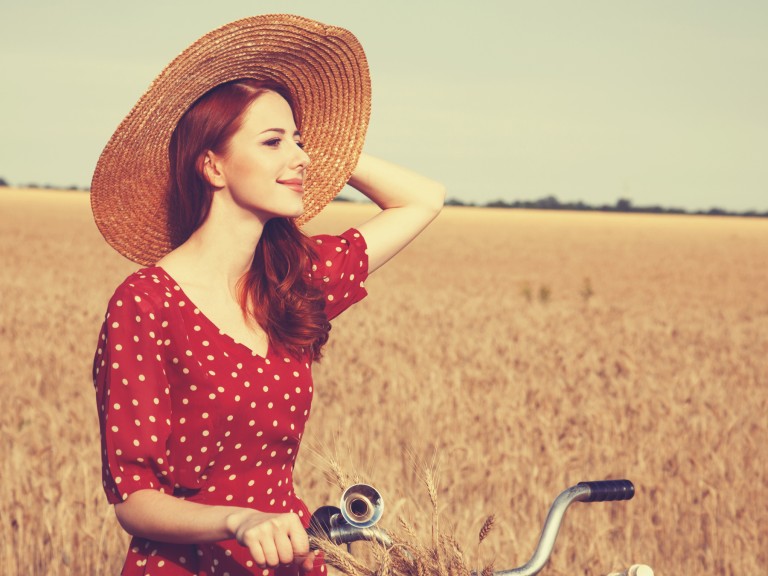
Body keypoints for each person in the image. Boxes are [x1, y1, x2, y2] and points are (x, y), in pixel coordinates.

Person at [90, 14, 444, 576]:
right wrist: (237, 520)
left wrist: (318, 150)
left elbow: (423, 199)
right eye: (273, 141)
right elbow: (134, 500)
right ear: (212, 165)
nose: (300, 156)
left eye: (299, 141)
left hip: (289, 564)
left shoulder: (292, 280)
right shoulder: (146, 302)